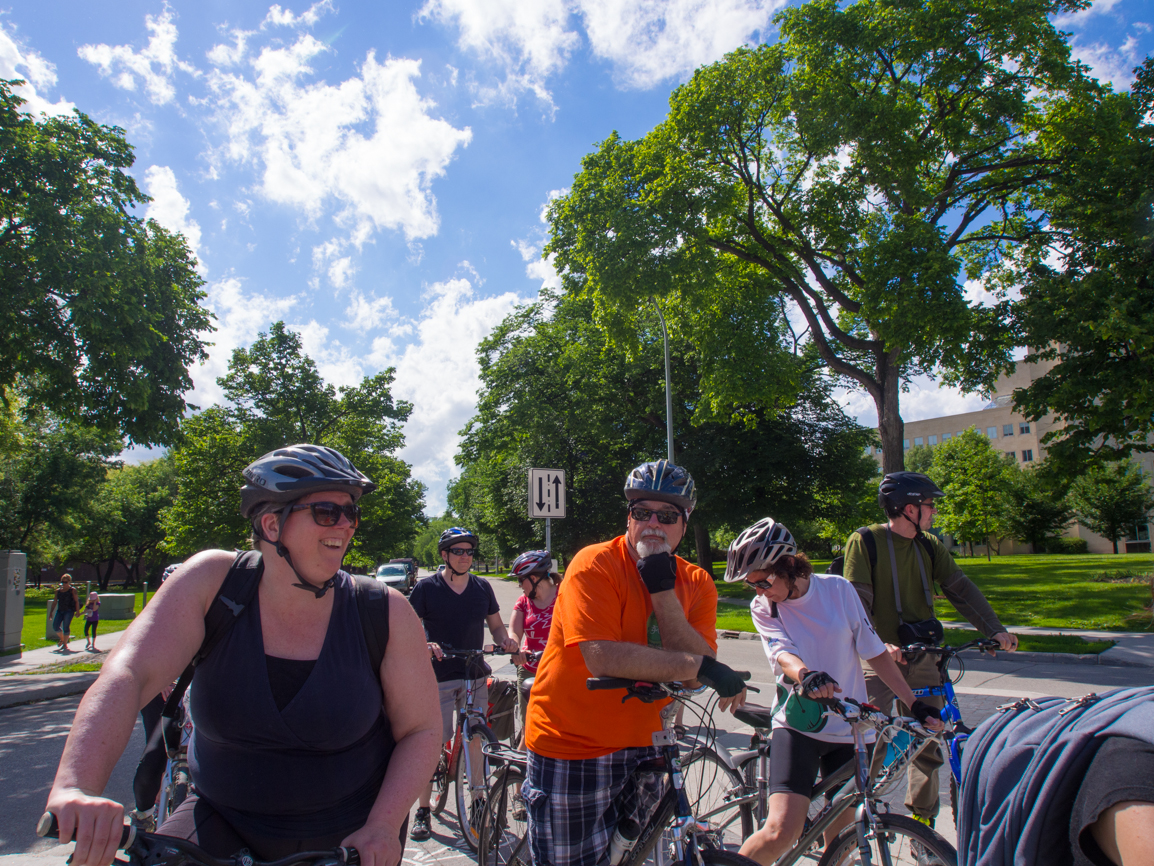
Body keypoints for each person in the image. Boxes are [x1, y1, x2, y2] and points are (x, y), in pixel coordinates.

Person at [45, 444, 441, 866]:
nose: (345, 525)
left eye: (352, 513)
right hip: (221, 818)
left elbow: (420, 728)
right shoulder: (212, 583)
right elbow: (128, 675)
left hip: (350, 835)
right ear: (272, 524)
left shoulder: (383, 609)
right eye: (328, 511)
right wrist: (76, 787)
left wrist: (383, 825)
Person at [522, 459, 749, 866]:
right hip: (575, 745)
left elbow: (699, 664)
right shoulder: (594, 564)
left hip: (649, 743)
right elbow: (600, 656)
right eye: (641, 513)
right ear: (628, 518)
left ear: (685, 522)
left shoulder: (695, 581)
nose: (653, 524)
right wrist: (696, 667)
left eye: (667, 516)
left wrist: (661, 586)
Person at [726, 517, 943, 865]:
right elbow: (782, 654)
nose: (760, 592)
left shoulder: (838, 590)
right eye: (753, 586)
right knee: (781, 832)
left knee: (840, 845)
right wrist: (807, 676)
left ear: (788, 565)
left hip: (851, 731)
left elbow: (874, 651)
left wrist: (914, 704)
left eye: (763, 581)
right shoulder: (764, 608)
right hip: (799, 726)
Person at [843, 471, 1017, 830]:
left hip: (923, 656)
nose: (933, 512)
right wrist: (879, 643)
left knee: (928, 741)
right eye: (929, 505)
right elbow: (854, 601)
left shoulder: (928, 546)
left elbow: (961, 589)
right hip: (878, 659)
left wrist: (994, 629)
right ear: (908, 509)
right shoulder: (866, 541)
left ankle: (921, 825)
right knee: (870, 738)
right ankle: (851, 816)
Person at [407, 526, 519, 842]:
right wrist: (425, 644)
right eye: (458, 551)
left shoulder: (482, 588)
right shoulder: (427, 588)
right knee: (433, 743)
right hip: (439, 677)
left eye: (469, 551)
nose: (465, 556)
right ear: (445, 555)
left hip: (474, 674)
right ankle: (424, 809)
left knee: (476, 739)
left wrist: (506, 640)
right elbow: (410, 626)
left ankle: (480, 801)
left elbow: (497, 626)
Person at [508, 550, 560, 742]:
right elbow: (514, 632)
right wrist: (515, 649)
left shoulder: (565, 595)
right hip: (530, 669)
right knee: (529, 726)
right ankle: (524, 768)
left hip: (559, 670)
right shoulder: (523, 601)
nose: (520, 585)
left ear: (534, 577)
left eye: (521, 580)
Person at [48, 573, 80, 653]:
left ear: (69, 582)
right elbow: (55, 602)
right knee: (55, 626)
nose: (64, 584)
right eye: (62, 582)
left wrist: (78, 611)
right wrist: (51, 612)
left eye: (65, 582)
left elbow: (76, 601)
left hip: (69, 611)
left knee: (66, 626)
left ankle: (65, 644)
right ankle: (62, 639)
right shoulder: (58, 591)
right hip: (60, 610)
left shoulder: (72, 590)